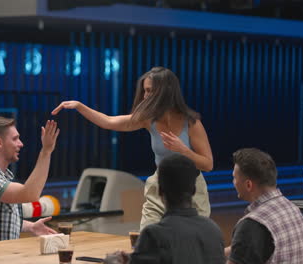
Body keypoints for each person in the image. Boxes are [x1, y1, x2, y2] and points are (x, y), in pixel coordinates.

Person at [52, 66, 213, 228]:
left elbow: (208, 164)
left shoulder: (191, 123)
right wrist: (80, 106)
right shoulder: (148, 119)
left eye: (150, 91)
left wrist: (183, 150)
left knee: (187, 240)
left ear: (166, 91)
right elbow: (109, 122)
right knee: (148, 234)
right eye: (145, 91)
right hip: (160, 184)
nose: (145, 96)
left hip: (190, 187)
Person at [104, 154, 225, 264]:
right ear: (193, 190)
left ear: (160, 191)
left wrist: (111, 262)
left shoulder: (154, 235)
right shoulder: (213, 230)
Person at [0, 116, 60, 244]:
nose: (21, 143)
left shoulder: (3, 176)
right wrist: (46, 151)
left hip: (1, 256)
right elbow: (30, 194)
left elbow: (0, 220)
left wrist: (31, 227)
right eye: (15, 139)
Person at [225, 148, 303, 264]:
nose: (233, 182)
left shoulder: (253, 225)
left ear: (248, 185)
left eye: (234, 177)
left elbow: (252, 239)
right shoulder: (292, 209)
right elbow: (260, 244)